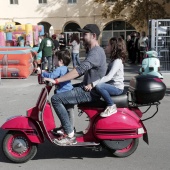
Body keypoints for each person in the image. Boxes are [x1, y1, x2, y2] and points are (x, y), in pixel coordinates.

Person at [44, 24, 107, 145]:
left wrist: (57, 80)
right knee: (63, 94)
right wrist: (62, 78)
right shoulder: (94, 51)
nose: (82, 37)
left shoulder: (96, 53)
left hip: (90, 92)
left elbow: (79, 70)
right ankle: (67, 127)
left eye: (85, 34)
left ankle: (70, 135)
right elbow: (80, 71)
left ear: (94, 36)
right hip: (88, 87)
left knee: (56, 99)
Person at [84, 37, 127, 117]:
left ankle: (111, 105)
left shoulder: (118, 61)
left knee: (99, 87)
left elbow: (108, 77)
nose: (106, 47)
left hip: (117, 88)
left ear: (113, 47)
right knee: (97, 87)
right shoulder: (113, 60)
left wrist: (92, 84)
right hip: (112, 85)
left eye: (108, 45)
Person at [40, 50, 75, 132]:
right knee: (69, 111)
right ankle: (68, 127)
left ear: (60, 61)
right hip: (68, 92)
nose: (53, 60)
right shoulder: (65, 68)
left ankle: (69, 129)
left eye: (55, 58)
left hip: (64, 93)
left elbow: (52, 75)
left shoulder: (60, 69)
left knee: (65, 112)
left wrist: (42, 73)